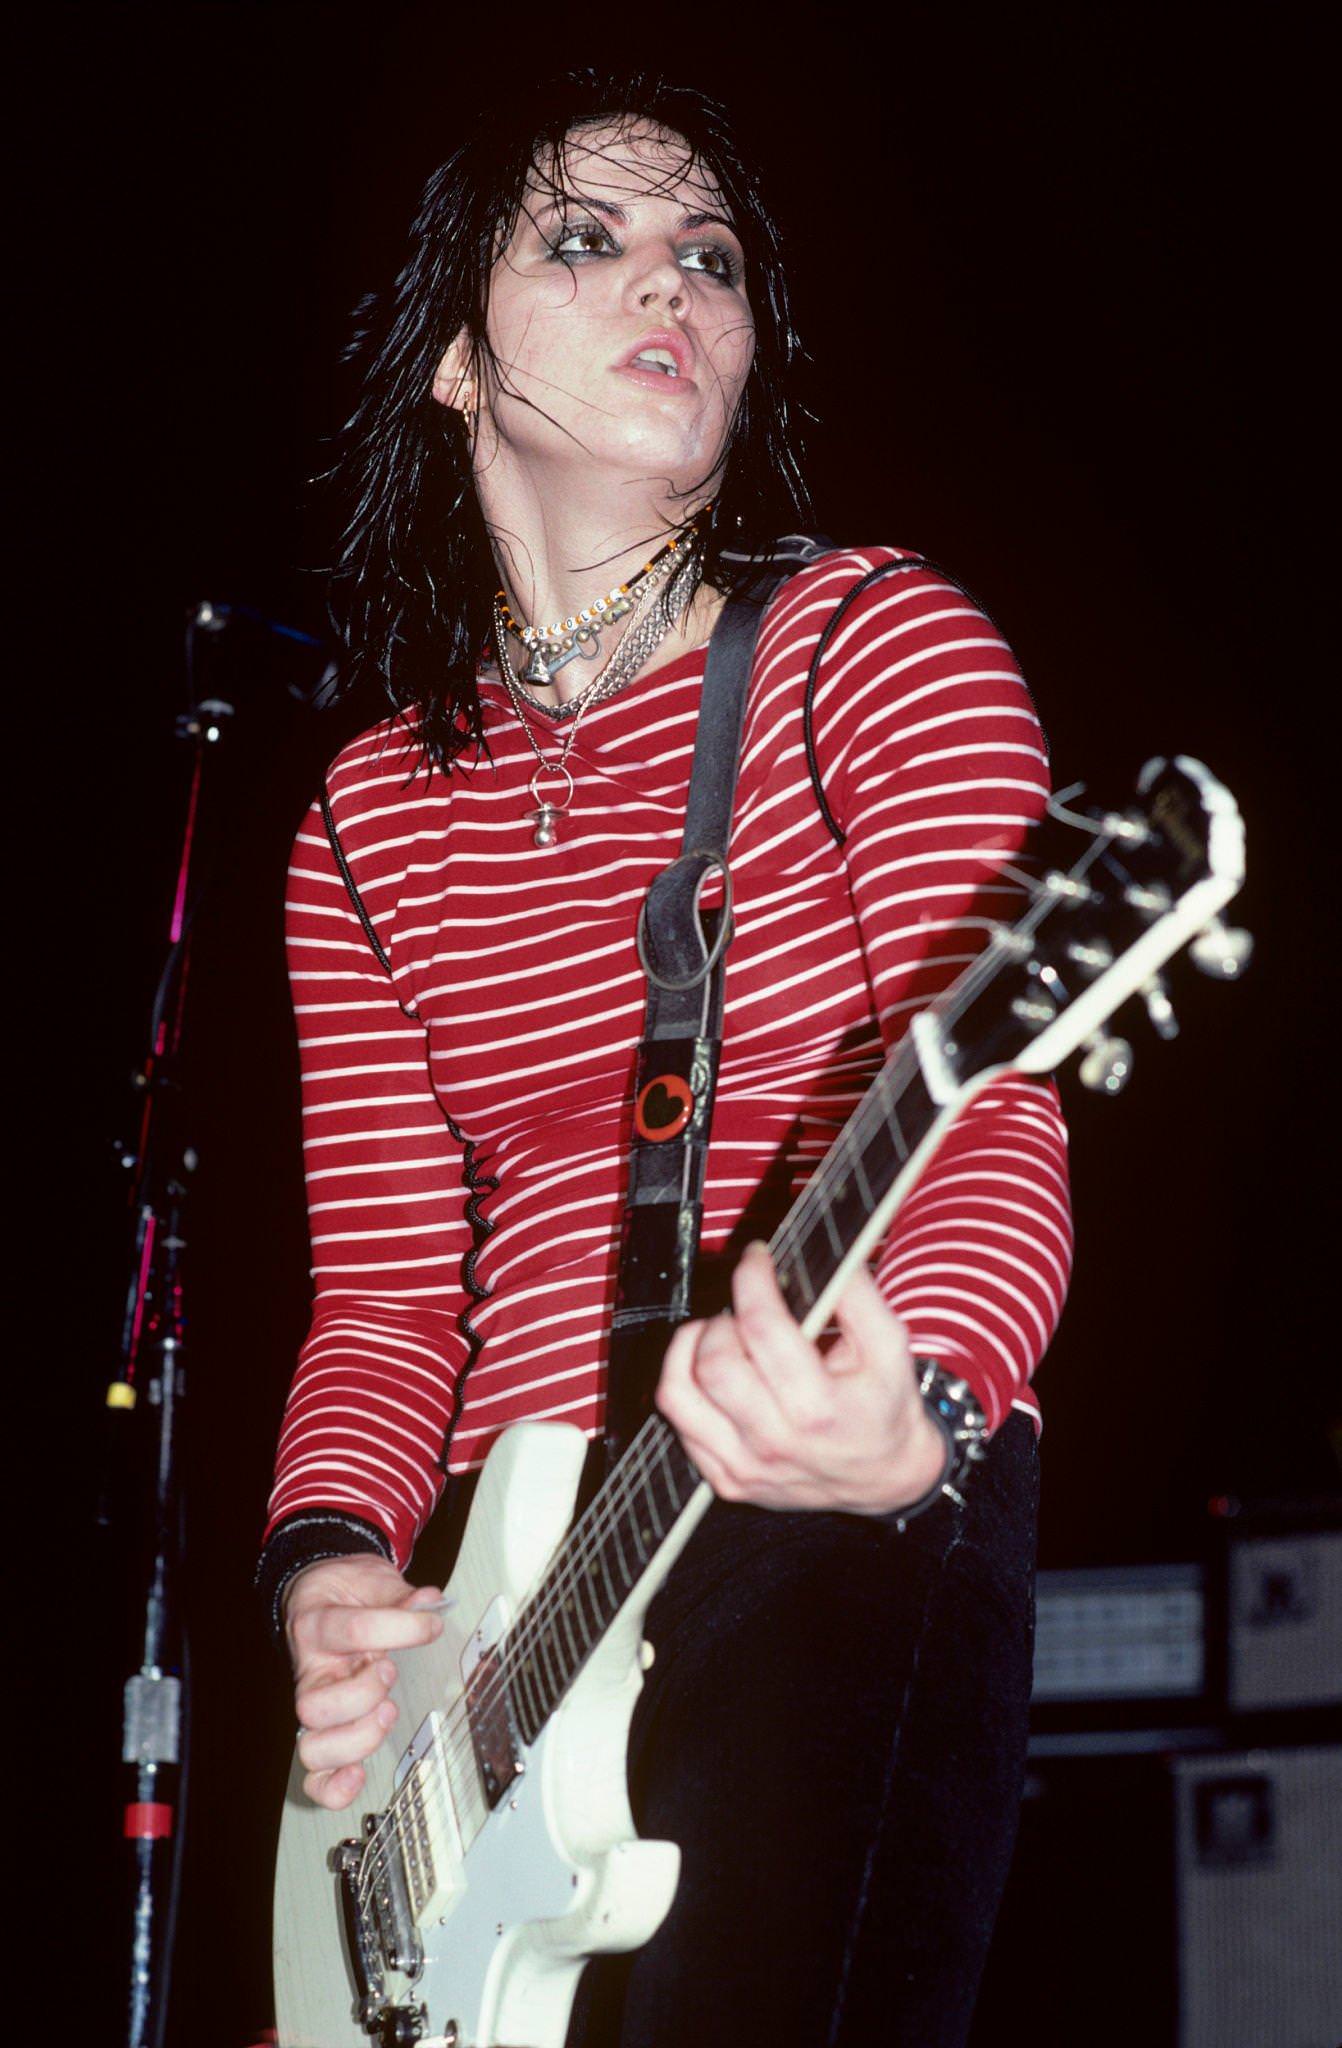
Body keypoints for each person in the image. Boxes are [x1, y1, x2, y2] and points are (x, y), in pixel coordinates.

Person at [256, 69, 1072, 2048]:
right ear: (455, 365)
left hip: (814, 1504)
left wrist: (925, 1403)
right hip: (486, 1641)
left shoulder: (872, 644)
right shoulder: (362, 817)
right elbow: (380, 1302)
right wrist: (334, 1568)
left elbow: (992, 1100)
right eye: (586, 239)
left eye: (707, 256)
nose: (674, 292)